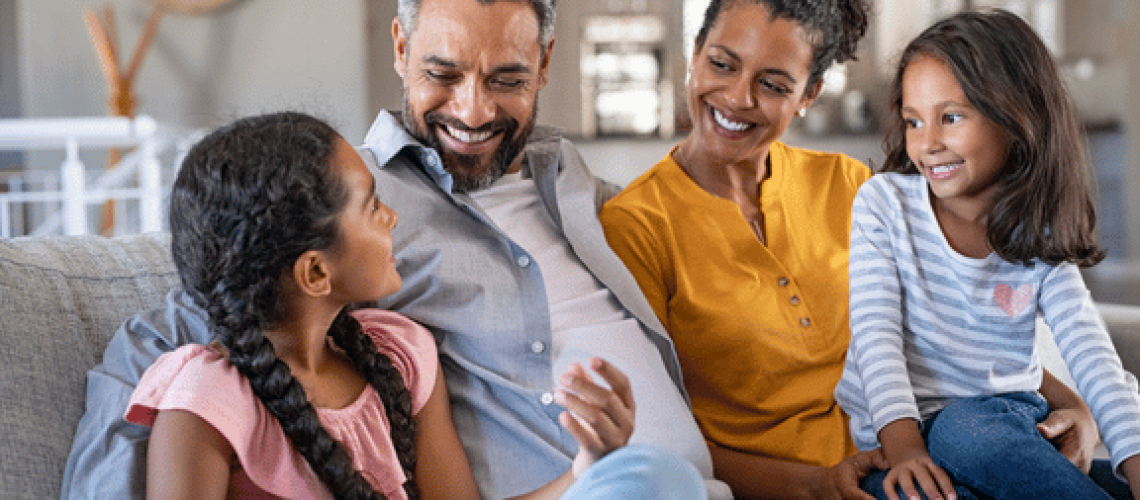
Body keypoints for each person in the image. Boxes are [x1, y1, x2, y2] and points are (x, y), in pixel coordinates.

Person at [61, 0, 725, 498]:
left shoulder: (569, 177)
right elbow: (177, 330)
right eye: (443, 72)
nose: (471, 111)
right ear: (402, 46)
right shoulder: (339, 206)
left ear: (546, 65)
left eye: (507, 79)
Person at [600, 1, 1105, 498]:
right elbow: (657, 434)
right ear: (694, 55)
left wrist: (1075, 406)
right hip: (822, 485)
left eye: (773, 84)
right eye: (722, 64)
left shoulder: (851, 186)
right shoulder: (636, 225)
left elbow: (960, 328)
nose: (736, 97)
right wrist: (818, 485)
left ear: (809, 93)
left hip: (932, 451)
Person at [833, 10, 1140, 500]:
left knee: (965, 429)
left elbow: (1092, 355)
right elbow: (876, 334)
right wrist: (904, 447)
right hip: (904, 445)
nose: (927, 142)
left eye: (950, 117)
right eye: (913, 121)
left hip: (999, 427)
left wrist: (1134, 455)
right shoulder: (884, 205)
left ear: (1017, 119)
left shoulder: (1036, 237)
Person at [129, 111, 481, 498]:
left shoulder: (401, 352)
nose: (392, 218)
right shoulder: (207, 402)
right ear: (314, 273)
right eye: (371, 206)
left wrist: (564, 482)